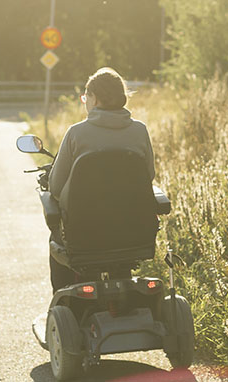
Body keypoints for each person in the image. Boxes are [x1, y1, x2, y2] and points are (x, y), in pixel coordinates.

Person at [46, 67, 155, 292]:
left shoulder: (76, 134)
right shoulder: (139, 131)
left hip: (85, 236)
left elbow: (56, 188)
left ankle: (64, 298)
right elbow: (148, 175)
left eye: (86, 97)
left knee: (55, 238)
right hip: (133, 233)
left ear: (94, 98)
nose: (85, 102)